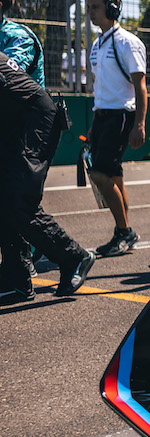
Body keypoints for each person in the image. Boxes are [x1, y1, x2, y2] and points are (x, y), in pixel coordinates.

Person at [0, 52, 95, 302]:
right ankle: (16, 278)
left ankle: (74, 256)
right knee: (4, 199)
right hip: (16, 123)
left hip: (35, 119)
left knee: (18, 200)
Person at [84, 0, 147, 256]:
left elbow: (141, 87)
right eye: (88, 8)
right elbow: (101, 87)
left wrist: (139, 124)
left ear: (112, 9)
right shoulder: (97, 45)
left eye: (96, 7)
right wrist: (94, 124)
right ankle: (125, 230)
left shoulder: (127, 42)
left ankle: (124, 232)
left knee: (99, 173)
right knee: (114, 174)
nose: (90, 13)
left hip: (122, 115)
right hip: (102, 116)